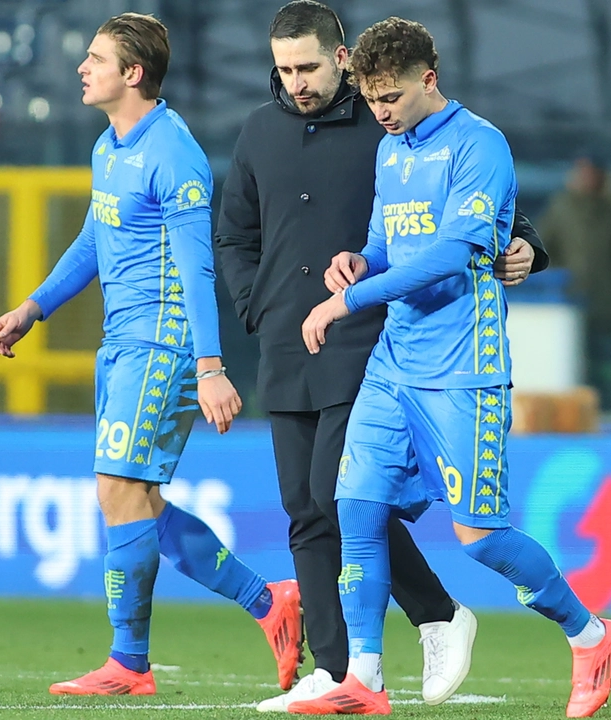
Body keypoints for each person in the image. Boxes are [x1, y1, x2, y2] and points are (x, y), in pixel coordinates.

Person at [213, 1, 550, 710]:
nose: (295, 81)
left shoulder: (393, 117)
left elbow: (480, 212)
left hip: (375, 344)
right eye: (283, 69)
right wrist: (258, 306)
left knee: (345, 502)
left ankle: (430, 618)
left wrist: (527, 247)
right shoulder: (258, 132)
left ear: (341, 58)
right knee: (306, 511)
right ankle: (340, 671)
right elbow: (234, 235)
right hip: (289, 340)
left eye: (307, 66)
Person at [288, 18, 611, 716]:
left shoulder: (479, 145)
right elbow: (388, 244)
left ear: (428, 79)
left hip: (462, 367)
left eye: (393, 96)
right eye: (373, 97)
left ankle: (591, 634)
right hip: (395, 363)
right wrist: (359, 261)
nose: (381, 110)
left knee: (480, 539)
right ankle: (365, 681)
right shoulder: (391, 151)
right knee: (354, 504)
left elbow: (449, 255)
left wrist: (349, 299)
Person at [0, 13, 301, 697]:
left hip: (163, 342)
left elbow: (197, 267)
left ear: (133, 74)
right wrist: (32, 308)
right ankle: (269, 603)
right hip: (121, 342)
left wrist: (210, 368)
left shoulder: (173, 151)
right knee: (129, 496)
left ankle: (130, 663)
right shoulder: (110, 147)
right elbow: (94, 241)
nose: (82, 67)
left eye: (96, 58)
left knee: (120, 492)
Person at [537, 154, 611, 403]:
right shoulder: (561, 207)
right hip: (568, 301)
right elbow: (542, 246)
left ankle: (610, 409)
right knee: (571, 359)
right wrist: (557, 282)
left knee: (608, 363)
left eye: (592, 173)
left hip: (608, 301)